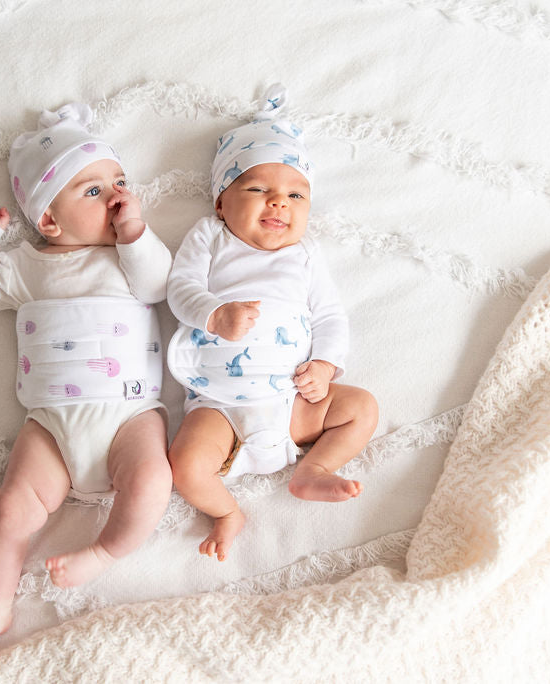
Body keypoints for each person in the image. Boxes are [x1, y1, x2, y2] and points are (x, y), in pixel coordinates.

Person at [0, 102, 172, 660]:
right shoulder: (28, 265)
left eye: (119, 181)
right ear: (49, 220)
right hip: (49, 424)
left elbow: (161, 283)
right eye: (93, 191)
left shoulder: (127, 257)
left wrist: (136, 230)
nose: (117, 195)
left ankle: (105, 553)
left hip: (128, 415)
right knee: (9, 510)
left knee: (152, 482)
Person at [166, 86, 378, 562]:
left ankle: (313, 469)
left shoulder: (304, 255)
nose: (279, 203)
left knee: (361, 407)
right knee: (185, 465)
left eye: (295, 195)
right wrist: (214, 314)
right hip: (220, 408)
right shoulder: (210, 237)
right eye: (259, 189)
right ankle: (226, 513)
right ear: (222, 203)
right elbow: (179, 287)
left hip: (294, 403)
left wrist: (324, 366)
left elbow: (329, 316)